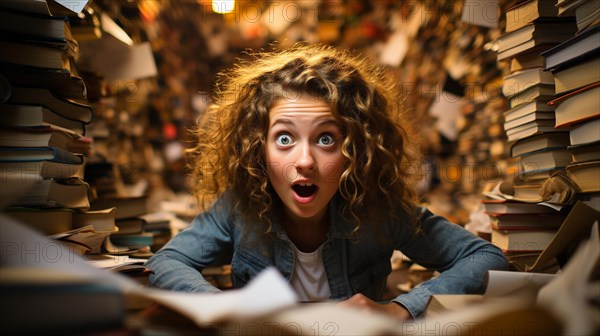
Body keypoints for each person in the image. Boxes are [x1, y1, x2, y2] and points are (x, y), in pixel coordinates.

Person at [145, 44, 508, 319]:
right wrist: (222, 307)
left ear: (356, 150)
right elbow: (165, 264)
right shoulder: (239, 208)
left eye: (326, 139)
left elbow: (487, 258)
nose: (304, 162)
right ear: (259, 150)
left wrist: (400, 309)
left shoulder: (380, 212)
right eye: (285, 139)